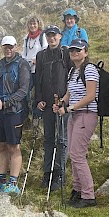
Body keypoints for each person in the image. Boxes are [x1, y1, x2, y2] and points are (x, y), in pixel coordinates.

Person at [0, 36, 31, 195]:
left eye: (10, 46)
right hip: (0, 111)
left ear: (16, 46)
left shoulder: (22, 64)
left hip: (15, 111)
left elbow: (23, 90)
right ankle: (1, 181)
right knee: (1, 145)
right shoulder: (0, 64)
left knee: (13, 146)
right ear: (2, 47)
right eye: (5, 46)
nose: (8, 49)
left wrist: (7, 102)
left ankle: (13, 183)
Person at [55, 38, 99, 208]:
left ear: (86, 52)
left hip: (86, 114)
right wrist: (62, 104)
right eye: (72, 50)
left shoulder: (90, 69)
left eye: (78, 50)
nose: (74, 53)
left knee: (77, 155)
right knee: (74, 154)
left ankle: (88, 195)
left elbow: (90, 96)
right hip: (75, 115)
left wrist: (69, 108)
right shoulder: (73, 71)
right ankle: (77, 190)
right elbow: (69, 93)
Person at [34, 25, 70, 191]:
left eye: (54, 35)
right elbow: (38, 79)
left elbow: (71, 77)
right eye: (48, 36)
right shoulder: (41, 55)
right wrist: (39, 99)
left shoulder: (66, 53)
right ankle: (47, 174)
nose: (51, 38)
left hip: (63, 104)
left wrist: (65, 100)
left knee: (62, 140)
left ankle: (60, 174)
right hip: (47, 104)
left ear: (60, 36)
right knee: (48, 139)